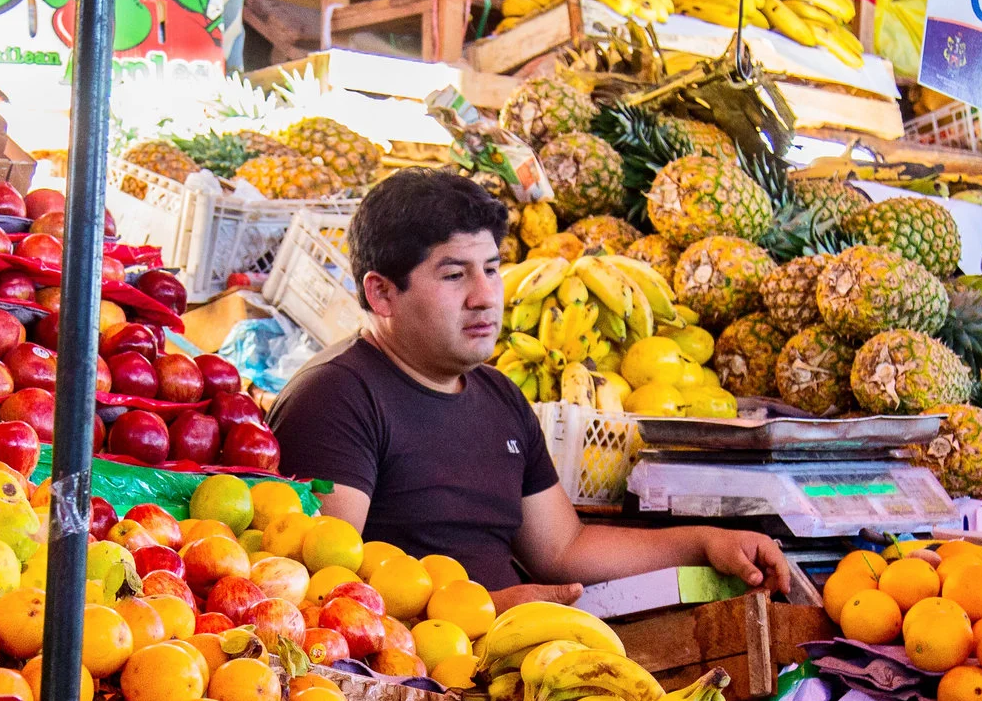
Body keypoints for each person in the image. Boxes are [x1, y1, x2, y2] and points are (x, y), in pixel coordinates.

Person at [269, 168, 789, 610]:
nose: (485, 297)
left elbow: (564, 549)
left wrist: (707, 544)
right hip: (399, 691)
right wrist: (486, 608)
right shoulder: (334, 399)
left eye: (492, 270)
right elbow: (321, 593)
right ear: (381, 293)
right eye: (454, 275)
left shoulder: (499, 396)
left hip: (510, 662)